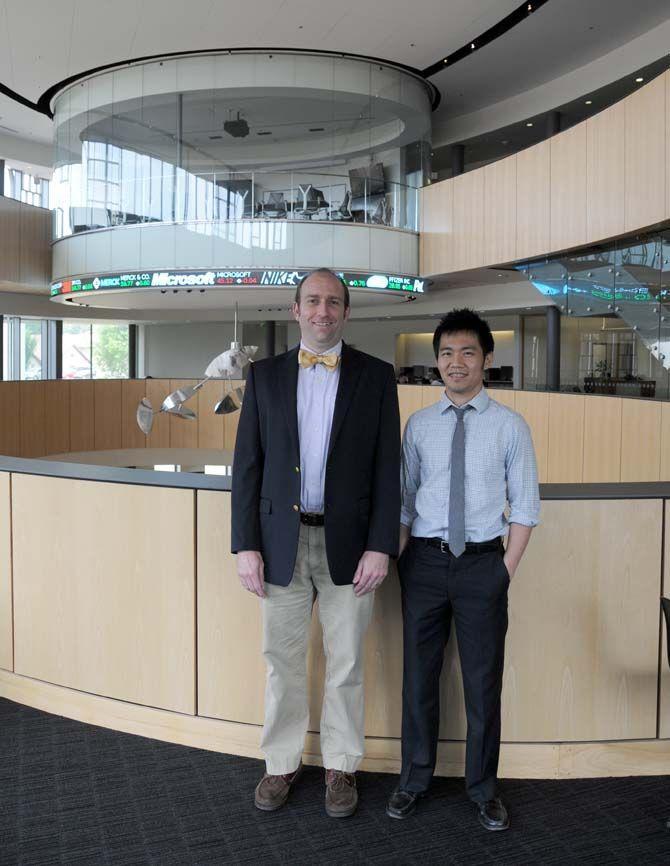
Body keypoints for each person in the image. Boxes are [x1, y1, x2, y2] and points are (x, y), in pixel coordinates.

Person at [232, 267, 400, 818]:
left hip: (351, 547)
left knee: (347, 662)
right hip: (279, 543)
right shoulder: (263, 376)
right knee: (281, 660)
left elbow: (386, 469)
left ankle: (341, 766)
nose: (323, 311)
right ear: (295, 309)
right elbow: (248, 468)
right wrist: (245, 546)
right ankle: (281, 763)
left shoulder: (376, 377)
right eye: (313, 301)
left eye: (333, 302)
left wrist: (381, 545)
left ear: (346, 313)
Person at [386, 308, 539, 830]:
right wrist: (400, 559)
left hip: (482, 566)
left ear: (487, 359)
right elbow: (405, 501)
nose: (456, 362)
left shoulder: (510, 426)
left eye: (468, 352)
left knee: (481, 683)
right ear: (436, 362)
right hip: (423, 563)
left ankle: (482, 788)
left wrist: (504, 570)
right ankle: (413, 780)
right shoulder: (419, 425)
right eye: (447, 353)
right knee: (418, 681)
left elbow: (525, 507)